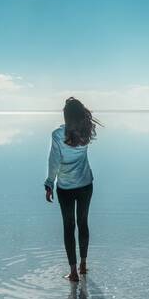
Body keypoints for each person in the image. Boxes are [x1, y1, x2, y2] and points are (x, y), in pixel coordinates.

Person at [44, 97, 101, 282]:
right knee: (83, 222)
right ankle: (84, 264)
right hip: (85, 184)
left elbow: (54, 161)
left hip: (66, 187)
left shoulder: (58, 134)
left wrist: (49, 182)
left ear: (66, 116)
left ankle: (74, 272)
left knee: (69, 227)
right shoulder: (86, 132)